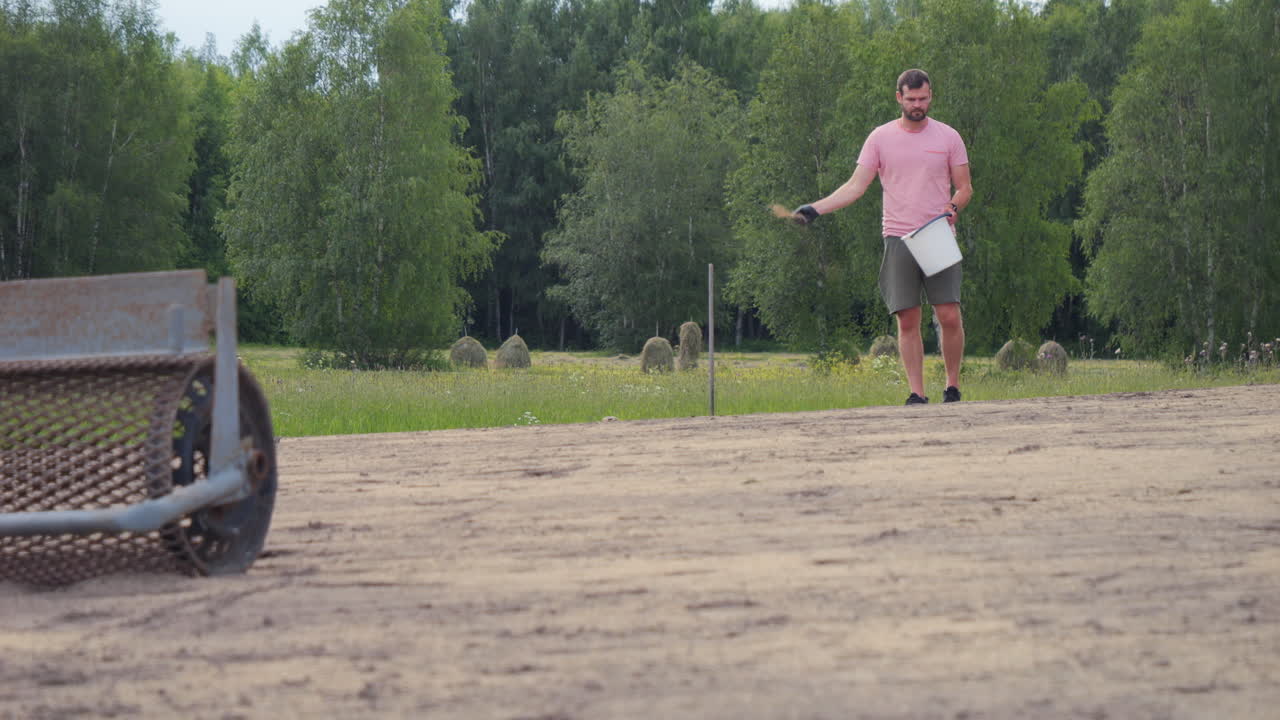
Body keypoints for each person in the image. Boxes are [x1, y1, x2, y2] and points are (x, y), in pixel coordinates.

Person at [792, 68, 972, 405]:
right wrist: (816, 209)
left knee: (948, 314)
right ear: (899, 98)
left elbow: (965, 187)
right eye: (911, 99)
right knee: (907, 318)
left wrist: (953, 206)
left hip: (937, 234)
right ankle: (917, 393)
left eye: (923, 98)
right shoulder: (880, 138)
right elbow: (855, 186)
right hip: (898, 237)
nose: (918, 105)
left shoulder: (949, 137)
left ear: (931, 96)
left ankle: (952, 386)